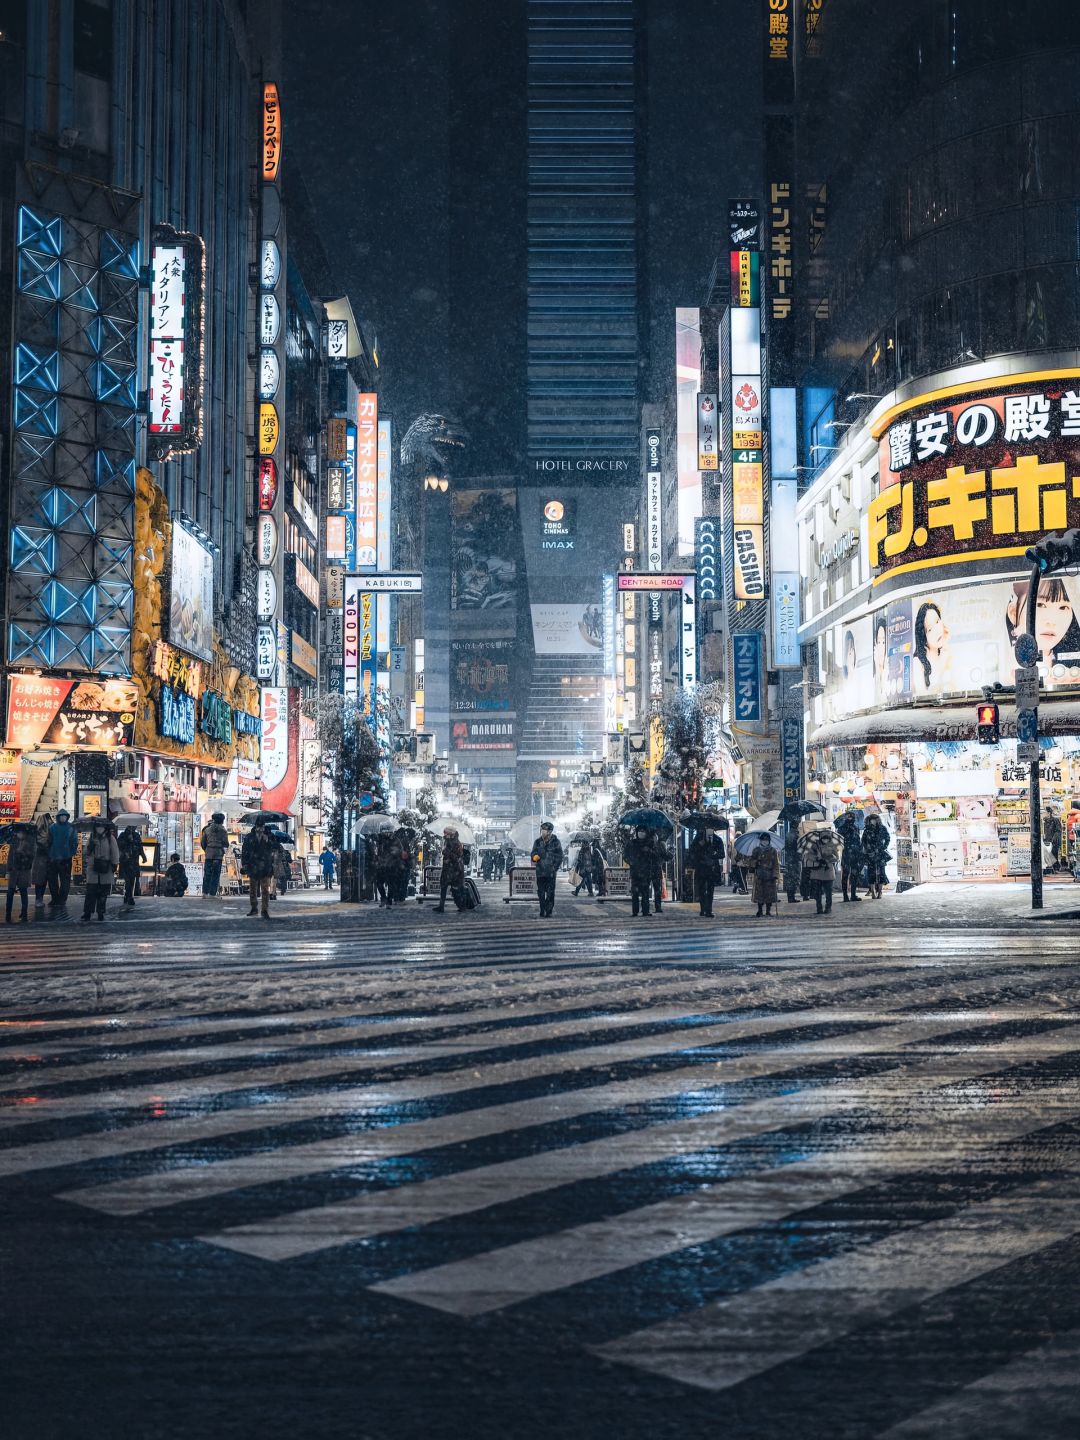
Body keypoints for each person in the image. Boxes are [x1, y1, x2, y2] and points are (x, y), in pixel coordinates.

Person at [1006, 577, 1080, 687]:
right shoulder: (1004, 668)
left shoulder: (1073, 667)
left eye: (1063, 607)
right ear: (1013, 612)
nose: (1052, 621)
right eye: (1040, 605)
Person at [798, 822, 841, 915]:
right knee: (817, 893)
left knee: (828, 892)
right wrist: (818, 859)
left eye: (827, 838)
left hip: (828, 871)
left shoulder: (832, 845)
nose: (825, 839)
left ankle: (828, 907)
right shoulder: (814, 845)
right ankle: (819, 908)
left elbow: (837, 857)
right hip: (817, 871)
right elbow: (809, 855)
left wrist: (828, 859)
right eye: (824, 837)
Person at [80, 819, 119, 923]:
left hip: (106, 868)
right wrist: (91, 846)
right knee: (90, 892)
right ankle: (87, 913)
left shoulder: (110, 839)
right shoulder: (92, 838)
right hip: (93, 869)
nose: (99, 828)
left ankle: (100, 913)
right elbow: (85, 853)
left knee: (102, 894)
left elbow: (115, 853)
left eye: (101, 826)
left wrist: (114, 864)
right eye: (97, 826)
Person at [241, 818, 278, 918]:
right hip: (253, 866)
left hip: (265, 866)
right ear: (255, 827)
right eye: (258, 827)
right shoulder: (249, 837)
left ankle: (264, 910)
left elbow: (276, 847)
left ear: (264, 827)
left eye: (262, 827)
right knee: (253, 889)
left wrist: (268, 841)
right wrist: (244, 864)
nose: (260, 829)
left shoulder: (270, 836)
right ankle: (254, 908)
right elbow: (244, 851)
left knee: (265, 889)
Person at [913, 600, 949, 693]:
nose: (937, 630)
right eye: (930, 629)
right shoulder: (918, 663)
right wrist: (941, 665)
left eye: (937, 622)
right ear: (923, 637)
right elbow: (922, 698)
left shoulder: (947, 653)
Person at [688, 828, 724, 917]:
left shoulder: (717, 839)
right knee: (701, 889)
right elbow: (692, 852)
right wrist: (700, 847)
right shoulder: (699, 838)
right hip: (701, 868)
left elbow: (722, 854)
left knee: (710, 890)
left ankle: (709, 910)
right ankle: (702, 909)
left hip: (712, 868)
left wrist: (713, 856)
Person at [531, 821, 563, 917]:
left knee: (550, 893)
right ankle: (542, 909)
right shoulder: (537, 842)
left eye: (544, 830)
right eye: (542, 830)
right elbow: (533, 853)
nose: (542, 832)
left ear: (550, 831)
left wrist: (554, 867)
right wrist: (534, 857)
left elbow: (560, 856)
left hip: (551, 872)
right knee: (540, 892)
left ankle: (549, 910)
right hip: (540, 872)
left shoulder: (556, 842)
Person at [47, 808, 78, 905]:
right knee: (53, 881)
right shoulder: (53, 827)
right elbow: (48, 841)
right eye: (61, 816)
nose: (63, 818)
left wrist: (70, 853)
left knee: (65, 881)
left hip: (65, 858)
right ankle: (55, 898)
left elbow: (74, 842)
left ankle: (61, 899)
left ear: (67, 817)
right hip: (54, 858)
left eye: (64, 816)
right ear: (58, 817)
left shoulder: (71, 828)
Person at [5, 826, 36, 923]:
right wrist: (7, 871)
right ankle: (8, 913)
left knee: (23, 892)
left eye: (21, 833)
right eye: (18, 833)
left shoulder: (30, 843)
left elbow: (32, 856)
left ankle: (24, 912)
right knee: (10, 892)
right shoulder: (14, 843)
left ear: (25, 833)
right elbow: (10, 857)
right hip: (14, 871)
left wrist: (22, 853)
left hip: (24, 871)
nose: (19, 834)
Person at [623, 825, 655, 918]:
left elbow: (655, 856)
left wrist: (649, 850)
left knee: (645, 892)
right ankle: (635, 911)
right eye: (639, 831)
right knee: (635, 892)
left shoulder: (649, 843)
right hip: (635, 872)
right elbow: (626, 855)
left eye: (643, 831)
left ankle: (645, 911)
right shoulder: (632, 843)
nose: (641, 833)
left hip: (645, 872)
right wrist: (632, 862)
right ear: (636, 833)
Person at [748, 832, 781, 917]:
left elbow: (776, 864)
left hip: (770, 875)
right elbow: (751, 862)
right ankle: (760, 910)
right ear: (760, 840)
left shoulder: (773, 851)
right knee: (759, 893)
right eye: (763, 840)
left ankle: (768, 910)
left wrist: (776, 874)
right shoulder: (756, 850)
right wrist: (756, 862)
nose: (765, 841)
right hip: (759, 874)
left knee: (769, 893)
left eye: (766, 840)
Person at [435, 825, 465, 912]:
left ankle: (461, 906)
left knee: (455, 889)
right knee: (443, 888)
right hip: (447, 869)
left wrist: (447, 853)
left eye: (446, 833)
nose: (444, 835)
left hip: (454, 870)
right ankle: (441, 906)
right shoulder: (447, 842)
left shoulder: (456, 843)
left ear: (451, 834)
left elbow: (457, 857)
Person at [836, 810, 864, 902]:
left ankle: (853, 894)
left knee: (854, 874)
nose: (852, 818)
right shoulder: (842, 828)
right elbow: (840, 841)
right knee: (845, 874)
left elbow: (858, 840)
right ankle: (845, 895)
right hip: (847, 853)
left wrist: (860, 850)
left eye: (853, 817)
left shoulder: (855, 827)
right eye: (850, 817)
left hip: (855, 853)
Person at [861, 813, 891, 899]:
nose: (873, 822)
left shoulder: (882, 828)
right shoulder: (867, 830)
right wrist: (867, 849)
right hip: (870, 854)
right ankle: (873, 891)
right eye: (871, 820)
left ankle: (880, 891)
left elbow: (887, 838)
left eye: (874, 820)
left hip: (880, 853)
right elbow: (863, 841)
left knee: (881, 872)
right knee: (871, 873)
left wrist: (883, 847)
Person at [199, 812, 229, 896]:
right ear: (222, 821)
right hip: (218, 855)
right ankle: (212, 894)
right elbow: (226, 843)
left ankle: (205, 893)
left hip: (209, 854)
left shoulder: (207, 830)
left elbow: (203, 843)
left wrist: (207, 850)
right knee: (215, 874)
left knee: (207, 873)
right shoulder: (223, 831)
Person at [117, 825, 147, 907]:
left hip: (134, 861)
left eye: (135, 827)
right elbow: (119, 845)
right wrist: (128, 840)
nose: (134, 828)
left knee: (132, 879)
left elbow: (140, 847)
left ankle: (128, 895)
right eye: (132, 827)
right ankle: (130, 896)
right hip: (125, 861)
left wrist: (143, 856)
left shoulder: (136, 835)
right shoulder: (123, 835)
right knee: (127, 880)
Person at [32, 816, 51, 908]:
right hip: (40, 860)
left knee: (42, 880)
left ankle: (39, 898)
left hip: (44, 860)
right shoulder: (36, 834)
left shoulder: (47, 833)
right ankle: (38, 899)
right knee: (40, 881)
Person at [783, 823, 802, 904]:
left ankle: (790, 896)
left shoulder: (788, 834)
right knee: (795, 878)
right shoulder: (795, 835)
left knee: (790, 878)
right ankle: (792, 897)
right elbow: (798, 848)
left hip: (789, 860)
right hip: (795, 860)